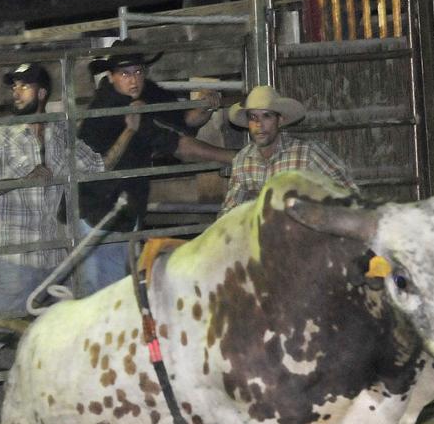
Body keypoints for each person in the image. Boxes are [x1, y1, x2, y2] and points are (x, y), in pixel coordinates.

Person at [0, 63, 103, 424]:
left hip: (53, 255)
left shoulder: (61, 136)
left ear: (42, 93)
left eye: (25, 86)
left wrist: (130, 130)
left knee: (55, 338)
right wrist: (20, 180)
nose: (17, 91)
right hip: (14, 253)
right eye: (14, 85)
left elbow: (98, 167)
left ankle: (63, 417)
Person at [77, 41, 234, 294]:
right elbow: (178, 145)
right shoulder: (108, 107)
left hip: (125, 209)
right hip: (98, 213)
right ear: (111, 76)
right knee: (105, 296)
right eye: (125, 73)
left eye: (138, 71)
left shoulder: (146, 93)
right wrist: (235, 157)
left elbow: (182, 120)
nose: (133, 80)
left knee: (120, 293)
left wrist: (205, 108)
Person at [219, 84, 357, 214]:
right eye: (253, 117)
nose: (259, 124)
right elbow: (230, 211)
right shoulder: (243, 161)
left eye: (266, 116)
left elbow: (348, 194)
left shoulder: (308, 153)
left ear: (280, 120)